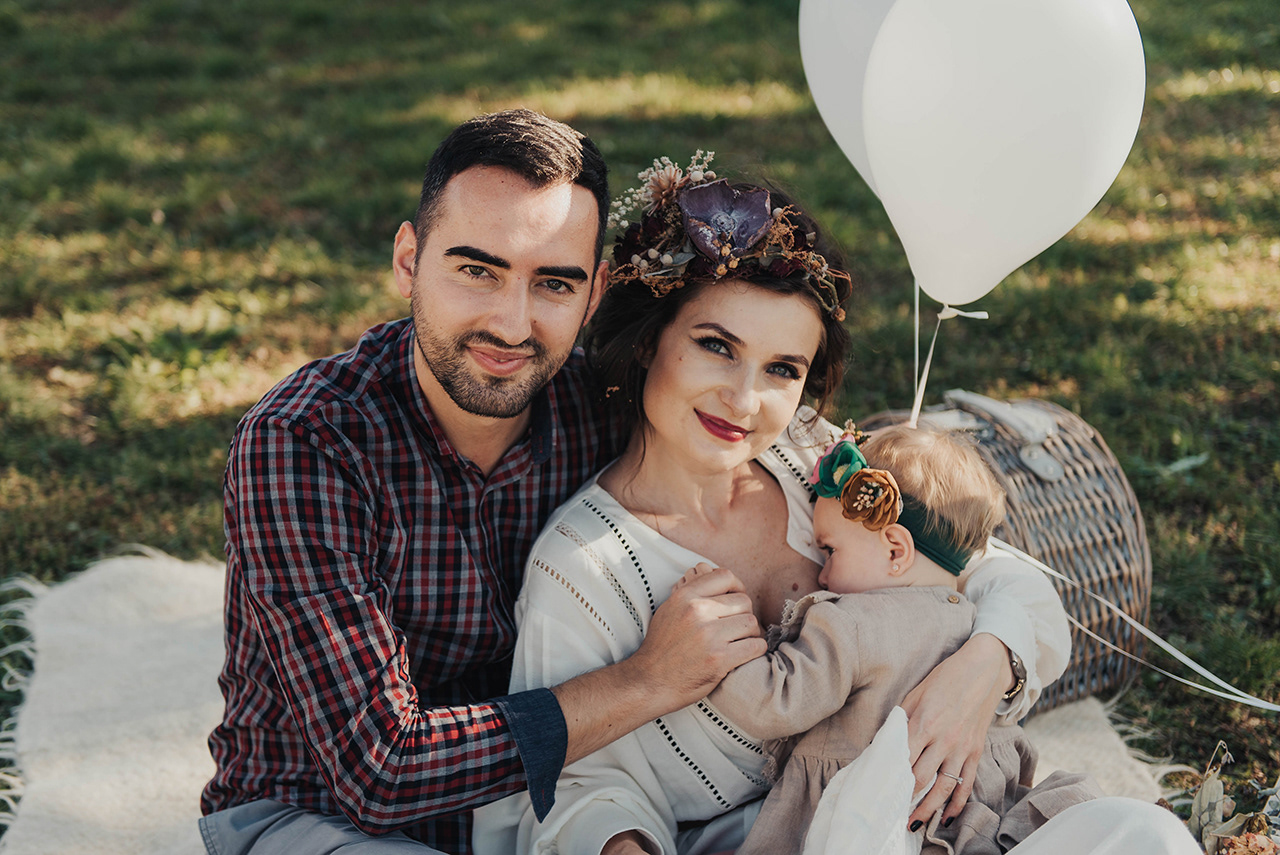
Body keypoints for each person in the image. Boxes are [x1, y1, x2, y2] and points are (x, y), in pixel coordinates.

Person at [199, 111, 774, 855]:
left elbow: (794, 442)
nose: (511, 325)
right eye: (478, 271)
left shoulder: (606, 406)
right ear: (409, 260)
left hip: (545, 806)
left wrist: (960, 643)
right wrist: (647, 681)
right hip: (325, 817)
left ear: (594, 293)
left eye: (553, 284)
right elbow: (381, 769)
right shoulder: (305, 442)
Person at [471, 158, 1080, 855]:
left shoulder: (812, 459)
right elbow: (566, 788)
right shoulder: (582, 567)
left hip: (949, 824)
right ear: (648, 341)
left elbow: (1000, 577)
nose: (744, 400)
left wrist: (984, 667)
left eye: (782, 369)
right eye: (716, 346)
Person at [700, 422, 1108, 855]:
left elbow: (775, 701)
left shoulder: (853, 624)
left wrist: (719, 645)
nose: (822, 574)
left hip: (869, 822)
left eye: (830, 551)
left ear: (896, 550)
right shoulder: (976, 617)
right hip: (976, 815)